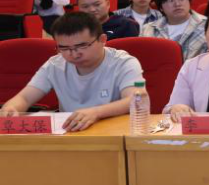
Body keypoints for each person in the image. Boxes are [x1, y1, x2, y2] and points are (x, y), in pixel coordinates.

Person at [0, 12, 143, 131]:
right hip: (71, 133)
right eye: (64, 48)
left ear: (102, 39)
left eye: (82, 46)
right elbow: (25, 98)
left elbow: (135, 99)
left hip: (115, 133)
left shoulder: (124, 63)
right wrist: (11, 108)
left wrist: (96, 112)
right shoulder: (55, 65)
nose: (74, 54)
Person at [141, 0, 208, 60]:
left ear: (189, 1)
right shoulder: (148, 29)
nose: (177, 4)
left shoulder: (207, 26)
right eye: (171, 0)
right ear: (161, 7)